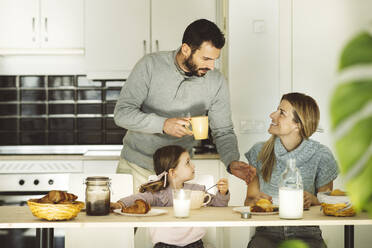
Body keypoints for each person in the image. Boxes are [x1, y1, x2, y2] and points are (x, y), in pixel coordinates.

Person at [114, 18, 255, 193]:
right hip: (137, 167)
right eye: (205, 58)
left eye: (214, 60)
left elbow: (223, 131)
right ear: (186, 49)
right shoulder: (150, 65)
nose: (211, 66)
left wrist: (232, 161)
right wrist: (163, 125)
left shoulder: (216, 81)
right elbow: (122, 113)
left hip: (179, 175)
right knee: (131, 218)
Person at [244, 93, 339, 248]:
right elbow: (249, 201)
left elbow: (327, 205)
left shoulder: (322, 155)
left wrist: (313, 200)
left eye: (281, 112)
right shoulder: (259, 152)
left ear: (298, 124)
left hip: (308, 234)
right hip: (266, 233)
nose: (272, 115)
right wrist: (255, 202)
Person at [111, 145, 230, 248]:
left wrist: (222, 193)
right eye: (188, 163)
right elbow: (139, 198)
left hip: (195, 244)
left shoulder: (197, 190)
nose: (193, 166)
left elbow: (219, 204)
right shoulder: (159, 195)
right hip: (163, 245)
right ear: (173, 172)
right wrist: (119, 204)